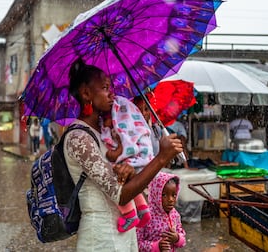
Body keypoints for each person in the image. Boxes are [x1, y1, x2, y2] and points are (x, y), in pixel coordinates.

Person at [64, 58, 183, 251]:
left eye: (110, 86)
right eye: (104, 88)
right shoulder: (79, 138)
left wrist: (130, 172)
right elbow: (120, 195)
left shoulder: (105, 131)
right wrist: (162, 158)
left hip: (125, 232)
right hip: (101, 238)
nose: (112, 93)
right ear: (86, 94)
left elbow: (126, 182)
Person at [101, 95, 153, 232]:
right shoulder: (125, 127)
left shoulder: (117, 133)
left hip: (132, 163)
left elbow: (114, 155)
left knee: (117, 181)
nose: (103, 123)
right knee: (132, 186)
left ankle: (129, 214)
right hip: (141, 162)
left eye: (105, 119)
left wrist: (109, 154)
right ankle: (143, 209)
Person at [137, 171, 186, 252]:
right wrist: (156, 246)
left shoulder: (175, 214)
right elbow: (137, 243)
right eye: (164, 195)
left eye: (173, 195)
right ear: (155, 194)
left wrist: (177, 238)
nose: (170, 200)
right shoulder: (146, 215)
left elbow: (182, 237)